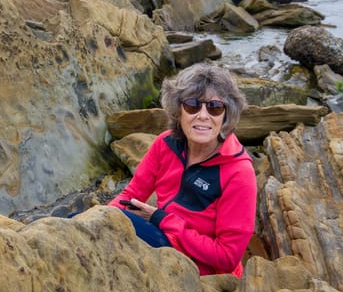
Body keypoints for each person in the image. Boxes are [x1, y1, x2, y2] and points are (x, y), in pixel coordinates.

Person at [108, 62, 256, 277]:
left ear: (226, 116)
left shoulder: (239, 173)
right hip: (164, 237)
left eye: (214, 107)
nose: (203, 115)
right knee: (86, 223)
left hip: (204, 271)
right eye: (193, 105)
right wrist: (102, 217)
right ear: (179, 111)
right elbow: (130, 195)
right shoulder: (165, 144)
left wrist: (163, 219)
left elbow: (227, 257)